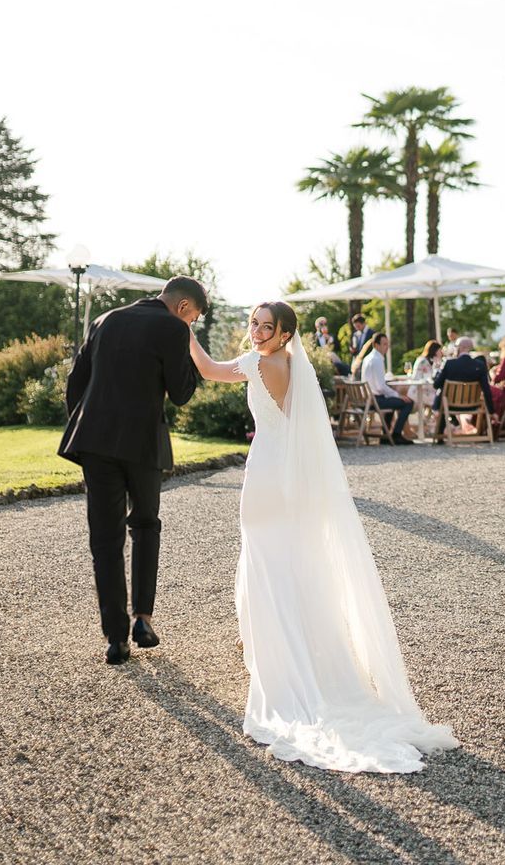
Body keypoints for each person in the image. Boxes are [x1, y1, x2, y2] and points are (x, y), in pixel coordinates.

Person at [188, 300, 457, 772]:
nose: (255, 331)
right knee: (289, 564)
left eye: (265, 326)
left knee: (267, 561)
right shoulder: (294, 367)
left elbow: (208, 369)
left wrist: (182, 327)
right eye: (253, 323)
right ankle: (287, 650)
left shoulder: (258, 364)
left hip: (268, 475)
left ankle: (276, 657)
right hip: (290, 480)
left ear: (284, 333)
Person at [58, 275, 205, 665]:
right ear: (185, 308)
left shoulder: (105, 319)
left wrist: (89, 428)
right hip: (142, 443)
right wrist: (187, 346)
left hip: (95, 443)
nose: (190, 326)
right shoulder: (173, 327)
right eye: (193, 321)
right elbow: (181, 392)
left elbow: (76, 385)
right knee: (144, 525)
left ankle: (115, 639)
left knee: (104, 540)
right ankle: (143, 618)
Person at [357, 332, 414, 445]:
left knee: (392, 400)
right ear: (376, 345)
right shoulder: (377, 360)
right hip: (375, 400)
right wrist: (399, 395)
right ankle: (396, 434)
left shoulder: (368, 358)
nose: (387, 347)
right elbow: (381, 387)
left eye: (387, 344)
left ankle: (385, 435)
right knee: (408, 403)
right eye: (384, 344)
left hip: (366, 399)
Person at [432, 335, 494, 433]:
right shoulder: (480, 365)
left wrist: (438, 373)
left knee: (442, 396)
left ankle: (440, 433)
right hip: (474, 405)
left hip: (451, 405)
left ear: (460, 348)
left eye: (455, 347)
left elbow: (436, 385)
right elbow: (486, 390)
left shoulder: (449, 364)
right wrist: (491, 411)